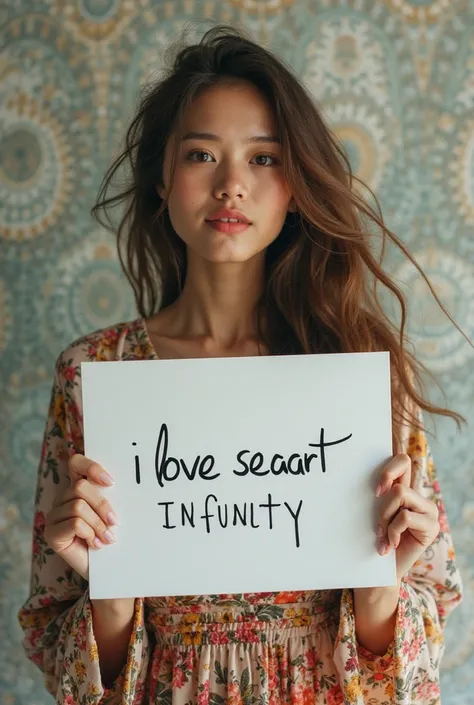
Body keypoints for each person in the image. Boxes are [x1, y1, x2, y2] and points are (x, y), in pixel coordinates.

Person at [18, 24, 464, 705]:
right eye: (202, 154)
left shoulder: (358, 370)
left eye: (263, 159)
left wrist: (381, 583)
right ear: (162, 180)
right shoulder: (96, 372)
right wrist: (110, 591)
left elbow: (416, 658)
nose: (231, 185)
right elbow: (67, 664)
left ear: (296, 187)